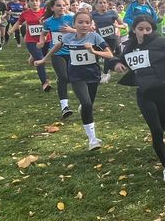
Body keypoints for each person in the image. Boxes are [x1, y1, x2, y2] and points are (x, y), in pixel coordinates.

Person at [114, 14, 165, 180]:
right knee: (156, 130)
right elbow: (120, 59)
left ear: (153, 29)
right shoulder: (129, 46)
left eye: (148, 29)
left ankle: (161, 141)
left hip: (162, 91)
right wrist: (117, 64)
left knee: (164, 125)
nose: (144, 32)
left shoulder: (163, 43)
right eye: (140, 29)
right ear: (134, 29)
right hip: (144, 94)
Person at [36, 10, 114, 150]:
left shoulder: (95, 37)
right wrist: (44, 59)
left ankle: (84, 109)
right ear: (74, 24)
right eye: (80, 22)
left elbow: (109, 54)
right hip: (76, 76)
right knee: (87, 104)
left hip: (93, 75)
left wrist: (94, 52)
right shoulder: (68, 38)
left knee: (88, 103)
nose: (84, 25)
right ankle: (92, 139)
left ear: (91, 24)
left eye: (87, 22)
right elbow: (57, 46)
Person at [7, 0, 51, 92]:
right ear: (28, 3)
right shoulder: (25, 13)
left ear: (40, 2)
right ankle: (45, 83)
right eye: (32, 1)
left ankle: (33, 57)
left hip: (45, 40)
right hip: (31, 40)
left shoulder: (46, 12)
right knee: (40, 60)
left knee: (42, 58)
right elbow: (19, 22)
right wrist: (12, 30)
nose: (34, 3)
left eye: (36, 0)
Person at [41, 0, 76, 117]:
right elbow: (44, 33)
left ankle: (85, 102)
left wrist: (71, 30)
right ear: (52, 8)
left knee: (73, 77)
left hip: (73, 52)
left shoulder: (71, 18)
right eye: (58, 5)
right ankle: (64, 107)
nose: (62, 7)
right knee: (63, 77)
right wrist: (41, 41)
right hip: (57, 53)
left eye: (64, 5)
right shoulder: (48, 21)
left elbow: (84, 31)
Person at [91, 0, 125, 84]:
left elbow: (124, 25)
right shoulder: (93, 14)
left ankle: (105, 74)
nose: (102, 4)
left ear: (107, 4)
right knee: (95, 56)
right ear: (96, 5)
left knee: (108, 56)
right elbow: (86, 22)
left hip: (112, 39)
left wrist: (117, 26)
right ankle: (98, 72)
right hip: (99, 39)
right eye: (100, 3)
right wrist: (91, 26)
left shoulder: (112, 13)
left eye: (104, 3)